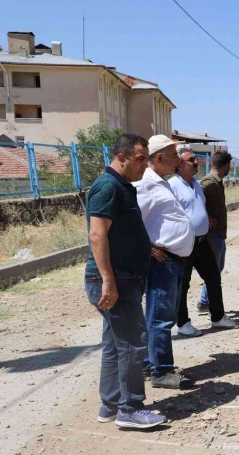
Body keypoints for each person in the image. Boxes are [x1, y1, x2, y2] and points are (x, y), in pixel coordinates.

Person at [84, 133, 166, 429]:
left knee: (114, 343)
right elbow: (97, 234)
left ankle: (110, 405)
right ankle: (130, 408)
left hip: (123, 277)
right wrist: (108, 280)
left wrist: (146, 248)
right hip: (114, 278)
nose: (145, 165)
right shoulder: (108, 186)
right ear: (122, 157)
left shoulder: (123, 186)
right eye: (140, 159)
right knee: (133, 342)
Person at [135, 135, 195, 390]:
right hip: (163, 262)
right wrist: (147, 247)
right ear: (159, 157)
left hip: (173, 260)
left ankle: (152, 364)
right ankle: (162, 371)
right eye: (173, 156)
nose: (177, 160)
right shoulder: (146, 185)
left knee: (160, 315)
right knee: (161, 317)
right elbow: (132, 220)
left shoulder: (162, 182)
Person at [169, 145, 236, 337]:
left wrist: (207, 235)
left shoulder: (196, 184)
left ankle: (218, 317)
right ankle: (182, 323)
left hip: (202, 241)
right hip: (184, 243)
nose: (196, 162)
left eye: (195, 159)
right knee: (183, 284)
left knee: (213, 278)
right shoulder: (173, 185)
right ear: (179, 165)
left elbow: (200, 209)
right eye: (191, 160)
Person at [197, 150, 233, 313]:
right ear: (226, 166)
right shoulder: (208, 182)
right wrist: (206, 217)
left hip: (219, 234)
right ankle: (205, 302)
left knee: (217, 269)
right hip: (212, 235)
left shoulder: (216, 181)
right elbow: (194, 200)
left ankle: (205, 301)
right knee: (213, 272)